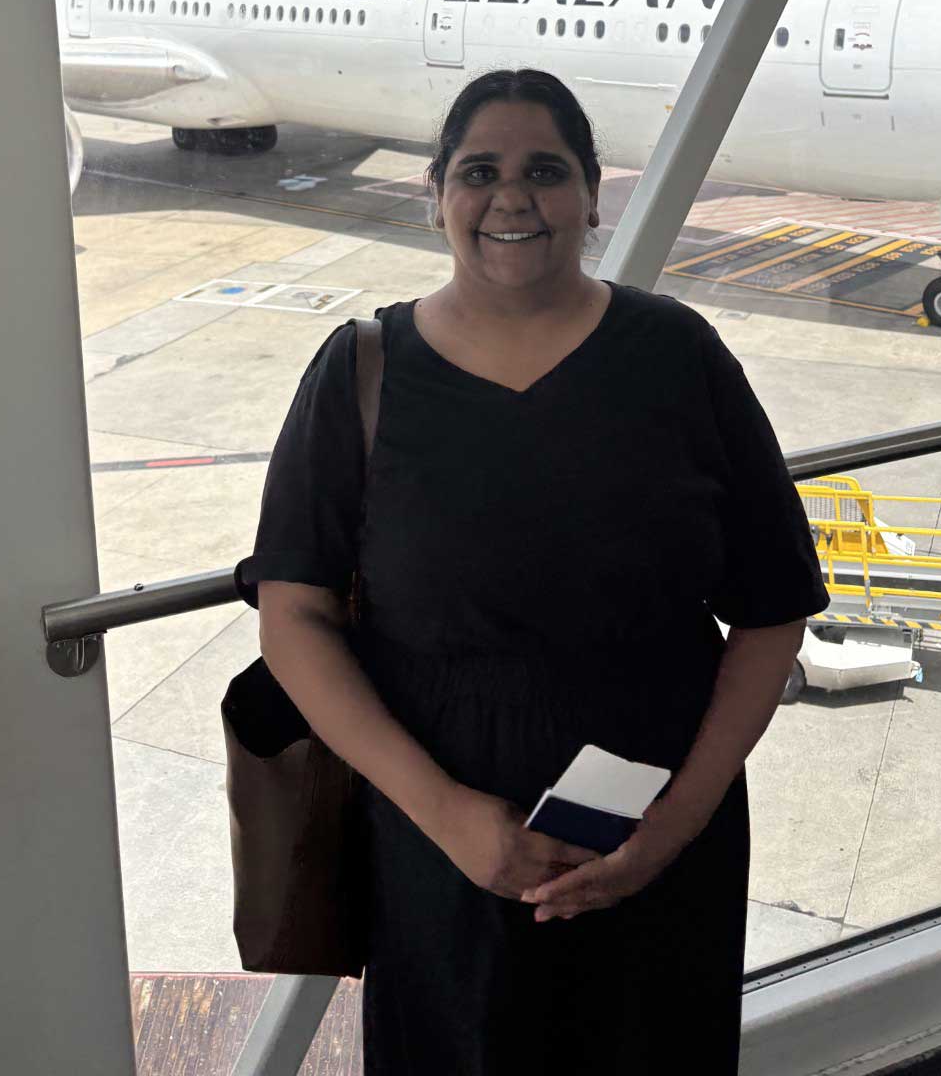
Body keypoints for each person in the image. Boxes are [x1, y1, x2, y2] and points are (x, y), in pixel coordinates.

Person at [234, 68, 829, 1073]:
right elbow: (294, 615)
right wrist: (448, 817)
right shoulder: (362, 372)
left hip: (658, 835)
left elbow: (771, 612)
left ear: (593, 197)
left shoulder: (678, 358)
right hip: (440, 846)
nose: (512, 198)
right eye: (479, 172)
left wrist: (673, 828)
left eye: (545, 172)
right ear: (436, 196)